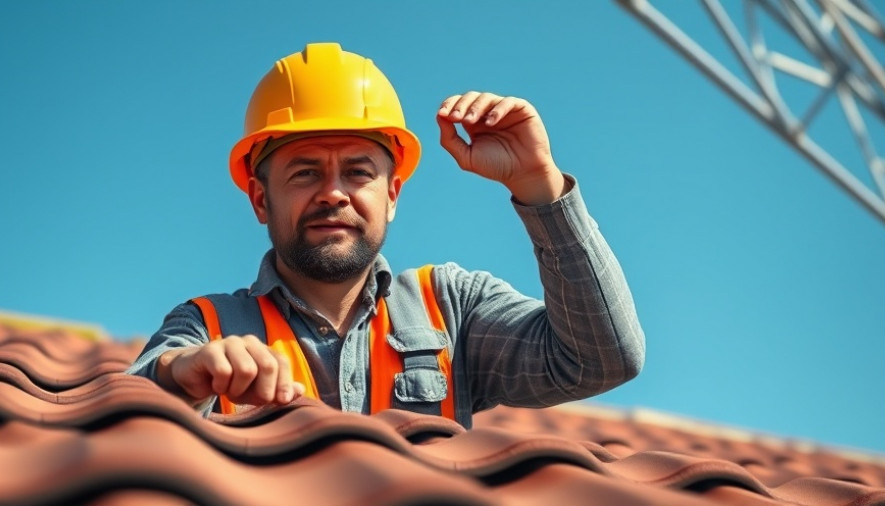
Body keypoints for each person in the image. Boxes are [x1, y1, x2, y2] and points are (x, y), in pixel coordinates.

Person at [127, 42, 645, 428]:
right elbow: (127, 416)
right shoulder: (207, 325)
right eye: (305, 173)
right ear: (261, 199)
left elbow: (602, 360)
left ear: (392, 195)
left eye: (357, 172)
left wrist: (540, 187)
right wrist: (181, 373)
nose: (333, 193)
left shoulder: (454, 308)